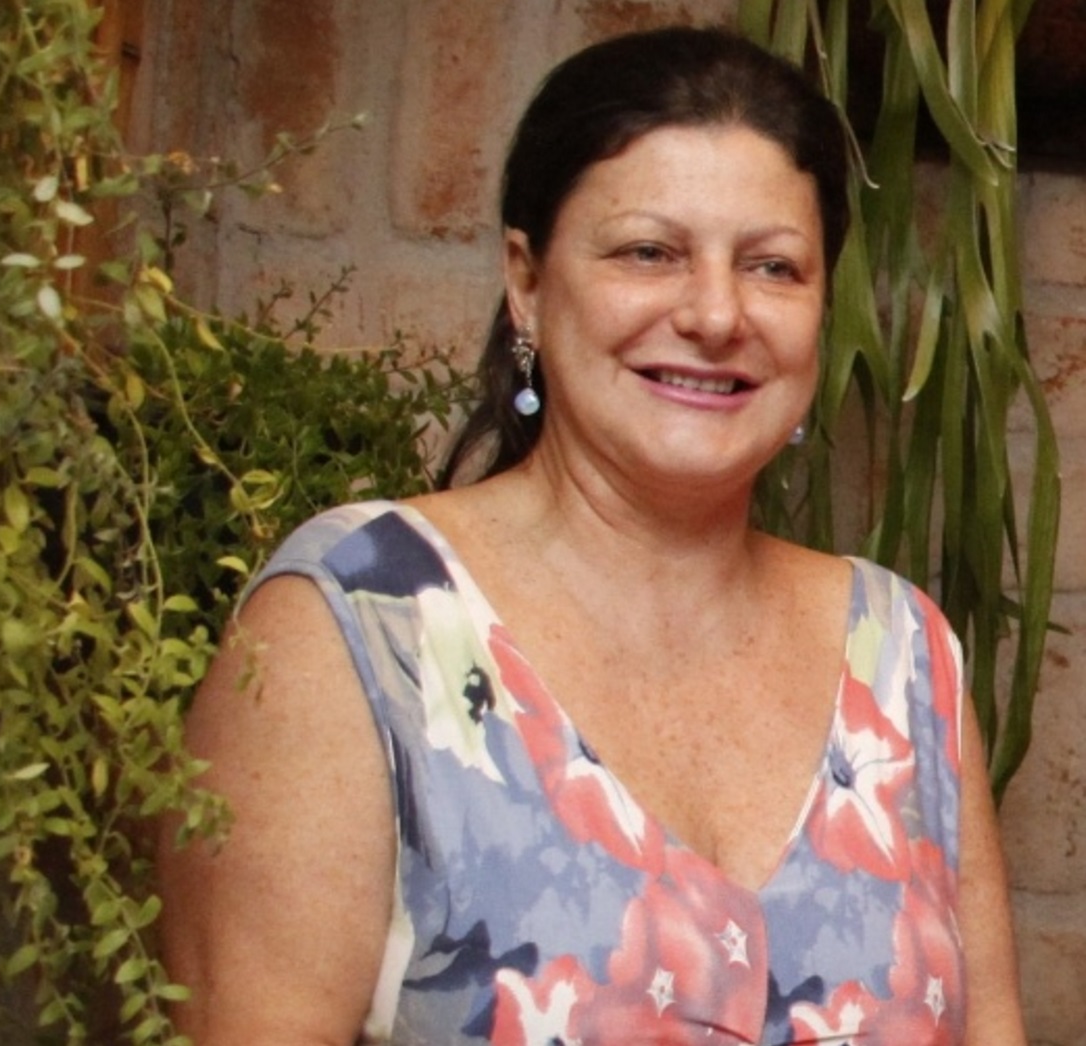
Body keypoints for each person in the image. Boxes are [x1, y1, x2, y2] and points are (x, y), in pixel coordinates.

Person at [157, 25, 1027, 1045]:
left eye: (773, 267)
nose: (716, 314)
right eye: (648, 252)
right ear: (526, 281)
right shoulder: (356, 628)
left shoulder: (906, 658)